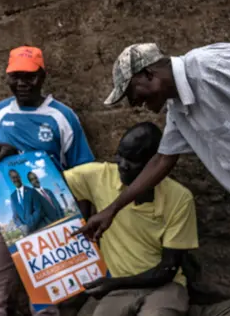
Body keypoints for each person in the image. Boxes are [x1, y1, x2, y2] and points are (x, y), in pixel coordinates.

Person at [79, 42, 230, 316]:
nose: (133, 103)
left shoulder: (209, 66)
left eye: (131, 92)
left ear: (148, 74)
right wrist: (112, 210)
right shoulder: (179, 111)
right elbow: (162, 159)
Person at [0, 46, 94, 316]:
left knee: (45, 302)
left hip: (48, 216)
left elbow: (83, 171)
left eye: (29, 76)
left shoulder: (61, 117)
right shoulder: (0, 112)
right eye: (15, 76)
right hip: (6, 211)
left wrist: (83, 224)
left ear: (42, 77)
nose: (21, 83)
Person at [66, 122, 198, 315]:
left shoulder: (179, 198)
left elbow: (167, 271)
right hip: (117, 290)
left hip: (164, 287)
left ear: (154, 163)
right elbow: (42, 179)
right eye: (120, 155)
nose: (123, 165)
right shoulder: (99, 177)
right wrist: (15, 155)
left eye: (134, 160)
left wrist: (113, 283)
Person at [8, 170, 45, 235]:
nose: (16, 179)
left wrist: (30, 224)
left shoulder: (31, 191)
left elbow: (38, 209)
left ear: (20, 177)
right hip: (27, 233)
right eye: (13, 178)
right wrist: (21, 226)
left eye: (17, 177)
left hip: (39, 228)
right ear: (11, 180)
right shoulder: (12, 197)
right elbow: (15, 216)